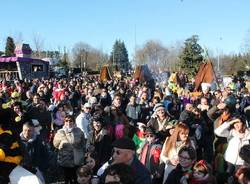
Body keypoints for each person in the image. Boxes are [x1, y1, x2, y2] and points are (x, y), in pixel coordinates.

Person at [53, 115, 86, 184]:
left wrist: (78, 150)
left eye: (70, 121)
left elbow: (83, 143)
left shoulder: (79, 131)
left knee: (76, 178)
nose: (68, 122)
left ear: (74, 122)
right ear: (64, 122)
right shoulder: (60, 132)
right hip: (65, 160)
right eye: (66, 121)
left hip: (76, 159)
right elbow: (55, 144)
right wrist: (62, 145)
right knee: (66, 179)